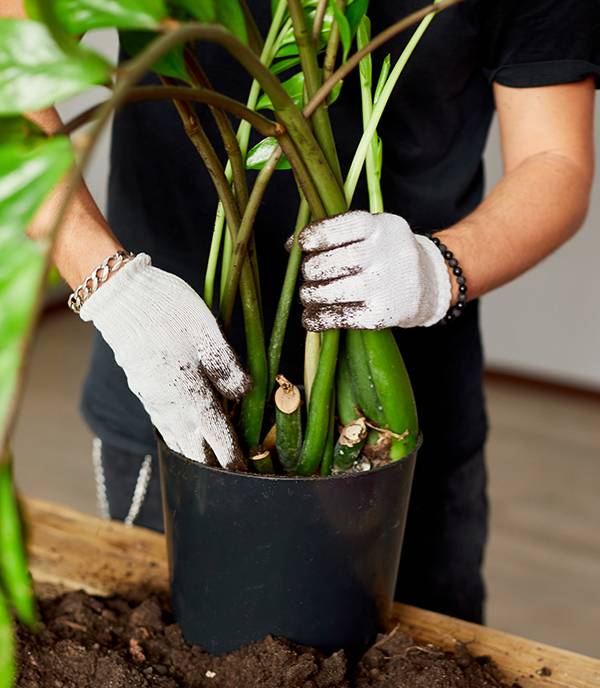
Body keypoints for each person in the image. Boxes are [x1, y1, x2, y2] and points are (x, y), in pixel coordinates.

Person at [9, 0, 599, 624]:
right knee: (168, 653)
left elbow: (553, 161)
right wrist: (109, 285)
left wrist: (439, 271)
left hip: (398, 409)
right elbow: (6, 46)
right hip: (175, 383)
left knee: (421, 667)